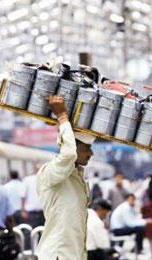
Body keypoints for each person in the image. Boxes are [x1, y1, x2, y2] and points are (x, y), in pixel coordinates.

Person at [36, 95, 95, 260]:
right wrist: (62, 117)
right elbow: (68, 154)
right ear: (73, 146)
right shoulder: (52, 172)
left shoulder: (77, 177)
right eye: (87, 148)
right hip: (57, 254)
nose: (91, 153)